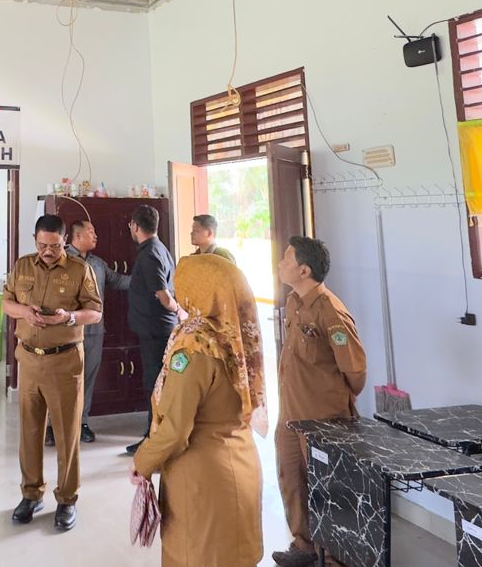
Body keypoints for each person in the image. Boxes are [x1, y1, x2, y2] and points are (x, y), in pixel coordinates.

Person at [132, 254, 266, 567]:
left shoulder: (195, 347)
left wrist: (143, 461)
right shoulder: (237, 336)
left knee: (197, 556)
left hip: (203, 479)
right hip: (242, 464)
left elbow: (176, 429)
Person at [1, 214, 102, 531]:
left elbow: (95, 312)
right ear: (35, 239)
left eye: (55, 246)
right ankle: (31, 494)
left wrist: (68, 317)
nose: (48, 251)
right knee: (30, 433)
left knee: (66, 434)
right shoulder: (22, 266)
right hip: (29, 361)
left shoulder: (79, 269)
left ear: (64, 241)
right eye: (43, 245)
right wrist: (24, 311)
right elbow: (6, 303)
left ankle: (67, 498)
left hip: (64, 362)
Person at [272, 236, 367, 567]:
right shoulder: (294, 302)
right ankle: (305, 545)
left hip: (323, 419)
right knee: (292, 480)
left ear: (304, 269)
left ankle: (336, 556)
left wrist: (333, 402)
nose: (280, 264)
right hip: (291, 414)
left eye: (287, 259)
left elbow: (355, 371)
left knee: (329, 488)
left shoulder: (330, 310)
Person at [110, 204, 179, 455]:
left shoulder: (150, 253)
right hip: (155, 328)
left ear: (135, 226)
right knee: (157, 382)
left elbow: (163, 294)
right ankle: (155, 436)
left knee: (155, 384)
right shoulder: (160, 248)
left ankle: (153, 439)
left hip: (155, 330)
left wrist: (179, 310)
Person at [54, 219, 109, 445]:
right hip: (66, 332)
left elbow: (117, 280)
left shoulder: (98, 264)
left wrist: (149, 282)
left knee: (87, 379)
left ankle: (82, 422)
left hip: (94, 332)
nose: (95, 235)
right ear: (77, 236)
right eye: (90, 231)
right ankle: (53, 425)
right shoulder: (61, 260)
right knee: (61, 380)